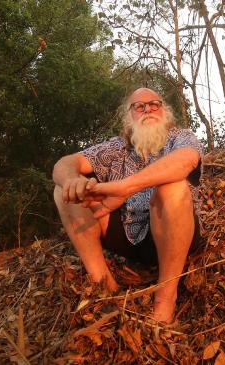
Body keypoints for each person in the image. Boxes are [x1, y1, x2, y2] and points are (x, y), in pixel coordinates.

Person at [52, 88, 204, 323]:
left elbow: (186, 160)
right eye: (139, 106)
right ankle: (102, 281)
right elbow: (65, 163)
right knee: (64, 189)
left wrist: (126, 187)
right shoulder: (116, 148)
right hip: (126, 235)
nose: (148, 110)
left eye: (154, 104)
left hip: (174, 235)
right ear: (129, 116)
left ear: (164, 111)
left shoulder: (180, 137)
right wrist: (74, 180)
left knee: (172, 187)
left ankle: (165, 298)